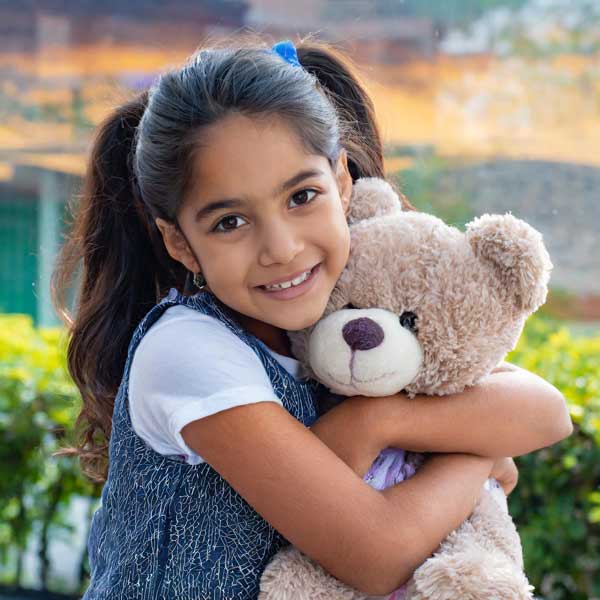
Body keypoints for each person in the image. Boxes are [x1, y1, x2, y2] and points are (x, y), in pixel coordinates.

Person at [51, 36, 573, 599]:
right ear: (179, 241)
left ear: (342, 181)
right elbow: (376, 554)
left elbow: (544, 411)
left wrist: (377, 422)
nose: (281, 248)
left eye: (301, 196)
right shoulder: (188, 349)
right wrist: (477, 462)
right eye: (229, 222)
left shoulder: (335, 326)